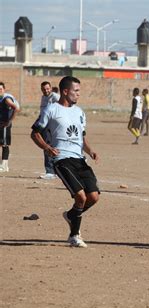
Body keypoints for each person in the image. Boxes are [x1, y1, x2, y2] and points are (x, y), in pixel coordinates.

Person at [31, 76, 100, 248]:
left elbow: (81, 137)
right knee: (80, 197)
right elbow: (35, 133)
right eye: (76, 91)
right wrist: (47, 148)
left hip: (79, 159)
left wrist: (90, 151)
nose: (78, 94)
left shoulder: (80, 112)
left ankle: (71, 216)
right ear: (65, 91)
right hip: (62, 159)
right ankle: (74, 235)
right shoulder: (51, 110)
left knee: (94, 197)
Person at [38, 81, 60, 179]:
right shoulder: (43, 97)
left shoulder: (55, 97)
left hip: (51, 125)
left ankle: (50, 171)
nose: (46, 91)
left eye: (47, 88)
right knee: (48, 145)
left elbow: (63, 106)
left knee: (48, 145)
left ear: (50, 88)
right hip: (44, 124)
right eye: (44, 89)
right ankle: (52, 170)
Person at [0, 82, 20, 173]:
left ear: (4, 89)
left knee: (4, 144)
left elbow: (16, 108)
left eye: (0, 89)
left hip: (4, 124)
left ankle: (4, 166)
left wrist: (9, 121)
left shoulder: (6, 99)